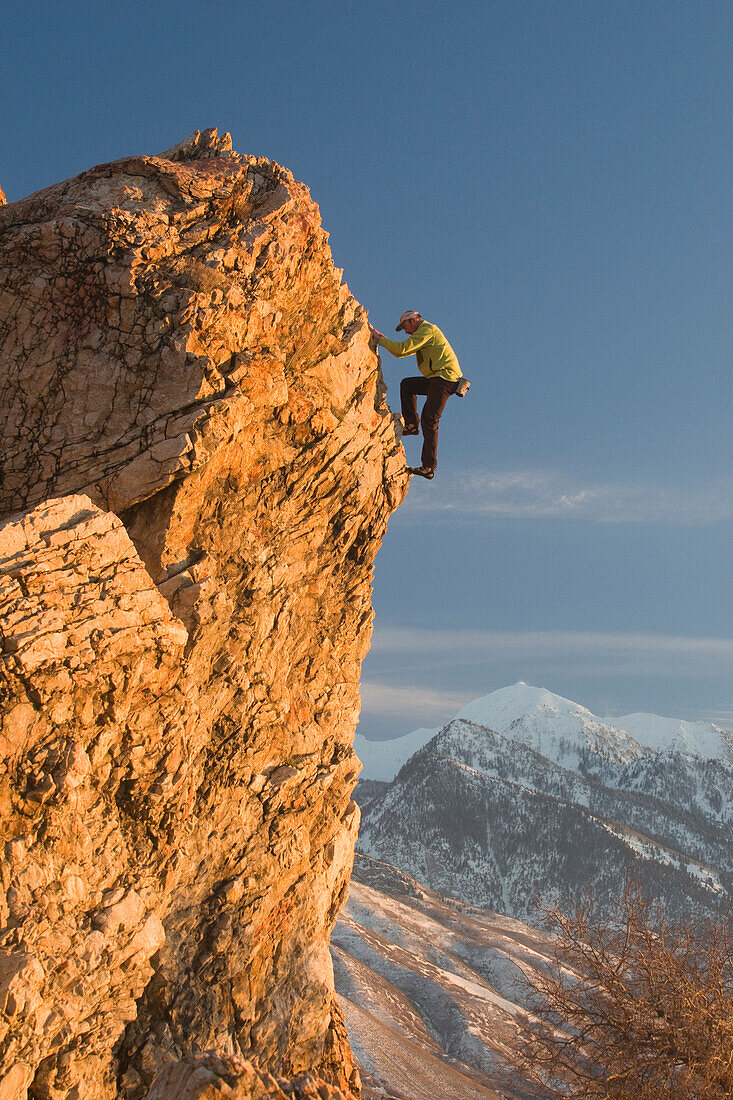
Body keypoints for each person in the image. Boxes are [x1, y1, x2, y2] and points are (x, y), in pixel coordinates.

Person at [369, 311, 463, 479]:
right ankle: (412, 425)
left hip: (444, 379)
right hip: (437, 379)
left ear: (413, 320)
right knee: (407, 385)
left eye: (405, 327)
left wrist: (380, 341)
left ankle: (428, 467)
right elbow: (402, 350)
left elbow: (402, 350)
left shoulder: (428, 330)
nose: (405, 331)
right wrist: (383, 340)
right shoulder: (423, 334)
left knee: (430, 419)